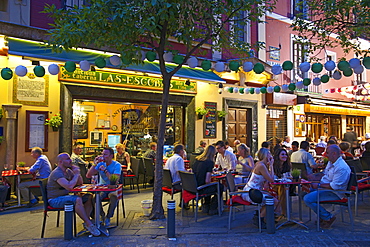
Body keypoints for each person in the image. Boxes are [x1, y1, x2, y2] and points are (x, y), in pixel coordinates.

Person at [47, 153, 100, 236]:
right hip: (55, 200)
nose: (70, 160)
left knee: (88, 196)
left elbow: (80, 183)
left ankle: (87, 221)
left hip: (65, 196)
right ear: (61, 162)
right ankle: (89, 224)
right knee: (77, 199)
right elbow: (69, 186)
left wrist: (77, 173)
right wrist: (75, 174)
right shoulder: (57, 173)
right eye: (68, 159)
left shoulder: (68, 171)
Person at [303, 145, 350, 228]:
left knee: (308, 198)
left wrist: (318, 185)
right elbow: (324, 174)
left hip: (335, 193)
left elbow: (334, 186)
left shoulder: (341, 167)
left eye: (327, 153)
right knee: (304, 192)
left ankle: (328, 217)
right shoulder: (331, 162)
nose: (325, 155)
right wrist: (313, 177)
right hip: (325, 188)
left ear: (334, 153)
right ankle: (322, 216)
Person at [241, 148, 280, 228]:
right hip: (251, 193)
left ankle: (259, 214)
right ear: (265, 155)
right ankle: (260, 218)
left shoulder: (261, 164)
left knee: (272, 197)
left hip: (253, 190)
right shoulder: (261, 165)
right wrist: (271, 165)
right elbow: (271, 179)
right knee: (273, 201)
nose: (271, 155)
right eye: (269, 154)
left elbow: (269, 177)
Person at [86, 147, 122, 227]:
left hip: (113, 187)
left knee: (113, 197)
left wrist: (105, 170)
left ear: (111, 156)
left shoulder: (117, 165)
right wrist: (95, 164)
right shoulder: (100, 164)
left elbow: (114, 180)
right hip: (102, 187)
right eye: (102, 154)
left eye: (105, 154)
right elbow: (88, 175)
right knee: (95, 198)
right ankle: (102, 215)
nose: (103, 156)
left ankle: (108, 217)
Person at [192, 145, 223, 215]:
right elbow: (207, 180)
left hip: (193, 186)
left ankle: (206, 205)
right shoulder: (209, 162)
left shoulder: (197, 160)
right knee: (220, 187)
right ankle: (213, 207)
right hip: (201, 188)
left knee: (209, 186)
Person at [272, 149, 292, 217]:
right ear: (278, 156)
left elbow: (290, 176)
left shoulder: (288, 165)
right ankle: (283, 212)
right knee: (282, 189)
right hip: (272, 185)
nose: (285, 156)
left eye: (286, 154)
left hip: (284, 186)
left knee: (283, 188)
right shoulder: (273, 165)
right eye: (282, 154)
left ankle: (280, 211)